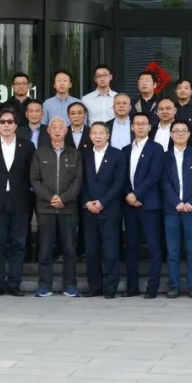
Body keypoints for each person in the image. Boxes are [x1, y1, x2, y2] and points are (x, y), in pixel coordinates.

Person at [0, 110, 35, 297]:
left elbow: (31, 173)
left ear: (16, 125)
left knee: (19, 244)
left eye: (10, 121)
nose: (6, 125)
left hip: (20, 200)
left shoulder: (27, 146)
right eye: (2, 122)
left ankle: (14, 283)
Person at [30, 118, 83, 298]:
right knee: (45, 249)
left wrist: (64, 198)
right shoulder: (39, 153)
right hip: (46, 208)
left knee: (69, 249)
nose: (57, 130)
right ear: (48, 130)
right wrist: (50, 197)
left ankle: (70, 285)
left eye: (61, 127)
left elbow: (78, 180)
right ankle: (45, 285)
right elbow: (34, 179)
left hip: (68, 208)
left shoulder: (75, 154)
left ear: (66, 131)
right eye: (54, 127)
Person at [80, 122, 126, 299]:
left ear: (108, 135)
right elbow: (80, 181)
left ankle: (111, 287)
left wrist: (102, 202)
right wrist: (87, 202)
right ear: (90, 136)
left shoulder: (117, 155)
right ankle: (95, 287)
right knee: (91, 251)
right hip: (89, 210)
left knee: (111, 250)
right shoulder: (84, 155)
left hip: (110, 209)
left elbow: (118, 182)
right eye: (94, 133)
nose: (97, 136)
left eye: (101, 133)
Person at [123, 112, 164, 298]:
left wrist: (137, 194)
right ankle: (132, 287)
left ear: (149, 127)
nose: (140, 126)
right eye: (137, 124)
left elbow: (154, 176)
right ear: (132, 127)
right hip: (130, 205)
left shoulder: (156, 148)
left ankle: (153, 287)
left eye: (144, 123)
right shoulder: (125, 150)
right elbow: (122, 177)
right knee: (131, 247)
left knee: (153, 247)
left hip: (149, 204)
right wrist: (129, 195)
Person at [162, 120, 192, 299]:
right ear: (171, 134)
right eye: (176, 131)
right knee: (173, 251)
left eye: (183, 131)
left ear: (189, 134)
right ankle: (174, 285)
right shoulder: (165, 156)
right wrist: (176, 202)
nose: (180, 133)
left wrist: (191, 201)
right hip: (172, 209)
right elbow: (163, 181)